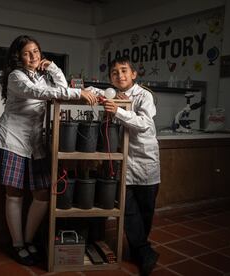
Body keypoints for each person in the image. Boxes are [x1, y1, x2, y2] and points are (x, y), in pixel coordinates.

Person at [0, 35, 97, 266]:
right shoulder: (16, 77)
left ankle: (28, 239)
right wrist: (79, 94)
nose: (33, 56)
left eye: (36, 51)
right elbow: (42, 94)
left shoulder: (42, 76)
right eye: (27, 53)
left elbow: (61, 89)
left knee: (43, 195)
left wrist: (54, 68)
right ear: (18, 57)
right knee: (14, 195)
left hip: (35, 143)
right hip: (11, 140)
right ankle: (18, 245)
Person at [102, 57, 160, 275]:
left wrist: (117, 110)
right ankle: (144, 252)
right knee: (127, 209)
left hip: (145, 160)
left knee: (146, 209)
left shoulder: (145, 96)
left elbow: (145, 124)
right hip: (124, 162)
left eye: (124, 71)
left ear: (134, 74)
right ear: (110, 78)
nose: (120, 75)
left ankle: (141, 250)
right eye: (115, 73)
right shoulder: (111, 96)